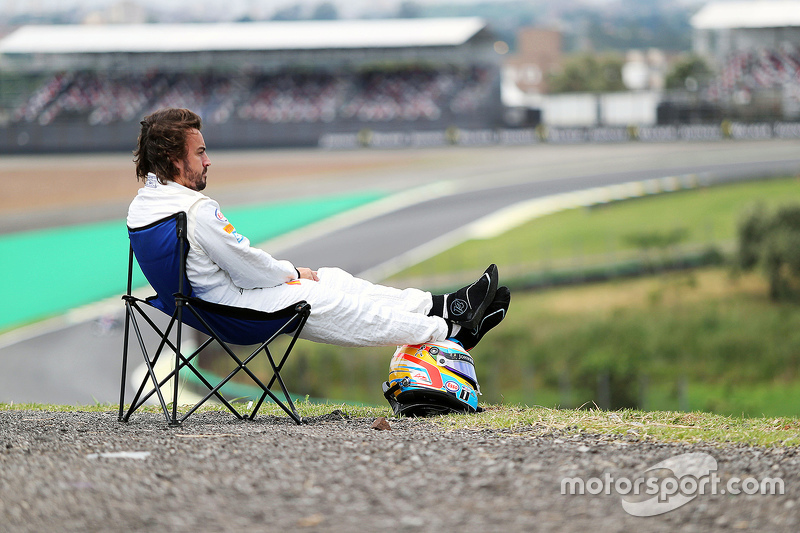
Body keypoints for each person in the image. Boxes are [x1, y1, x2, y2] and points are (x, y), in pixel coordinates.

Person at [127, 108, 510, 349]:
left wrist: (295, 276)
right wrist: (293, 273)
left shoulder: (142, 207)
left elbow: (239, 269)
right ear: (175, 159)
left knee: (333, 279)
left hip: (203, 308)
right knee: (325, 297)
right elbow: (247, 266)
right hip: (230, 312)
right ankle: (451, 333)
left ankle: (444, 306)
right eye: (200, 153)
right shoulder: (195, 211)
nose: (209, 161)